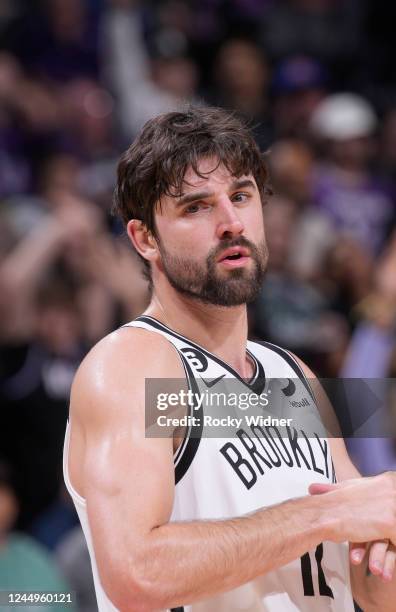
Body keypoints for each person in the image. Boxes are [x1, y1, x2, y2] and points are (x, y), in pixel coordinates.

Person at [64, 106, 396, 612]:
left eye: (240, 196)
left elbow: (365, 588)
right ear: (144, 238)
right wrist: (325, 516)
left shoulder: (294, 376)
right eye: (196, 207)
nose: (231, 222)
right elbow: (136, 574)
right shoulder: (135, 367)